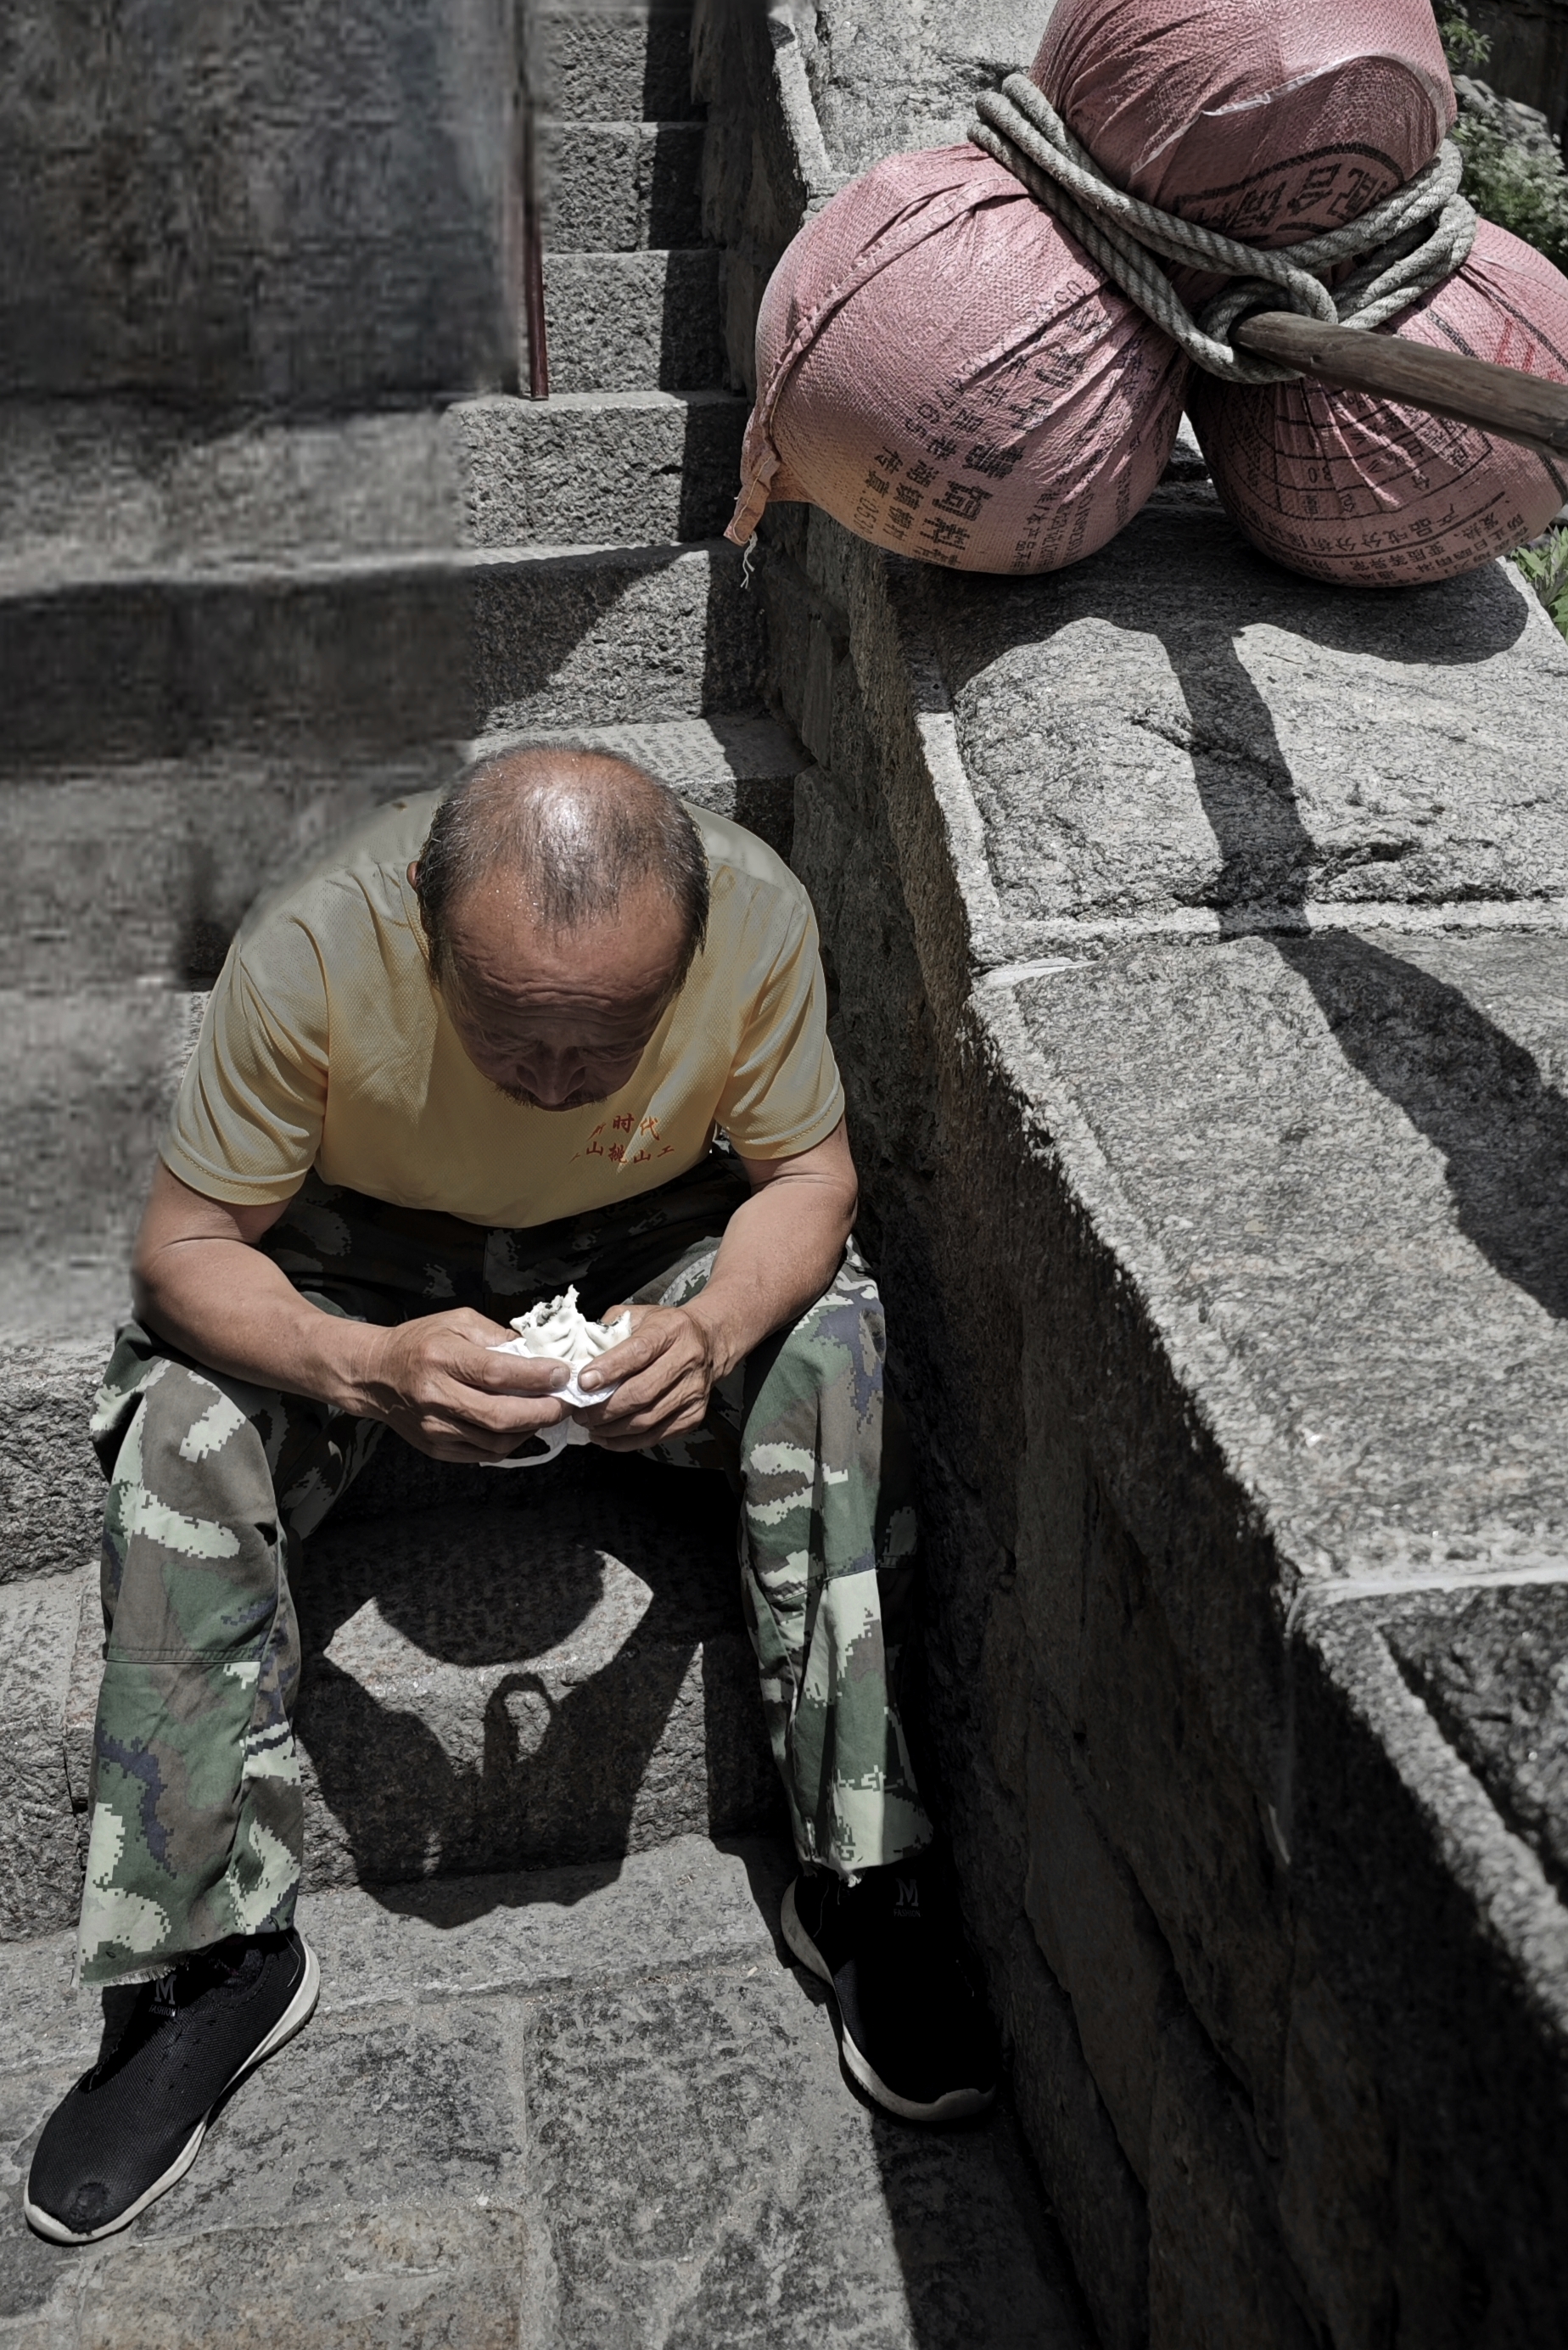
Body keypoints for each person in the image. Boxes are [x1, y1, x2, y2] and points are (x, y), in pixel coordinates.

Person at [25, 743, 998, 2247]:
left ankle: (866, 1873)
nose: (553, 1083)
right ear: (424, 930)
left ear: (686, 951)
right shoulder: (311, 946)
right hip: (363, 1258)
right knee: (179, 1433)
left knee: (833, 1344)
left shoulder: (754, 912)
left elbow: (808, 1182)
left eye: (606, 1042)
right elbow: (185, 1250)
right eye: (509, 1036)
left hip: (648, 1242)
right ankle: (208, 1957)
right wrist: (365, 1368)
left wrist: (708, 1334)